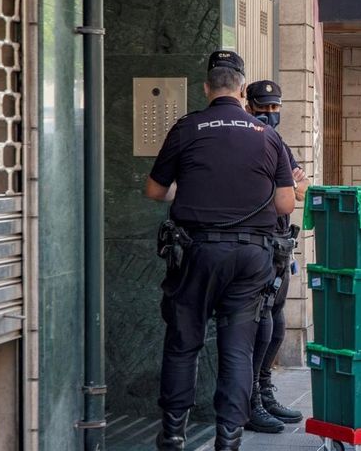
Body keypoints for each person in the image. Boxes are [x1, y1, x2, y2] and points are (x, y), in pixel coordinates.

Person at [145, 50, 296, 451]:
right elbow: (285, 204)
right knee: (237, 348)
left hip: (195, 253)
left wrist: (191, 190)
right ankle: (227, 439)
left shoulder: (186, 127)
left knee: (183, 343)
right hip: (251, 258)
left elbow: (154, 190)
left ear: (207, 88)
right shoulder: (268, 137)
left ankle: (174, 433)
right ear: (243, 89)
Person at [243, 80, 309, 433]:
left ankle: (264, 390)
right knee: (260, 322)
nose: (270, 115)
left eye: (274, 108)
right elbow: (281, 192)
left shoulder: (277, 142)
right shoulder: (248, 140)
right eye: (263, 108)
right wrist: (284, 188)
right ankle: (251, 397)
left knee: (277, 321)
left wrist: (290, 187)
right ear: (248, 105)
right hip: (256, 243)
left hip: (280, 244)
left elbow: (301, 187)